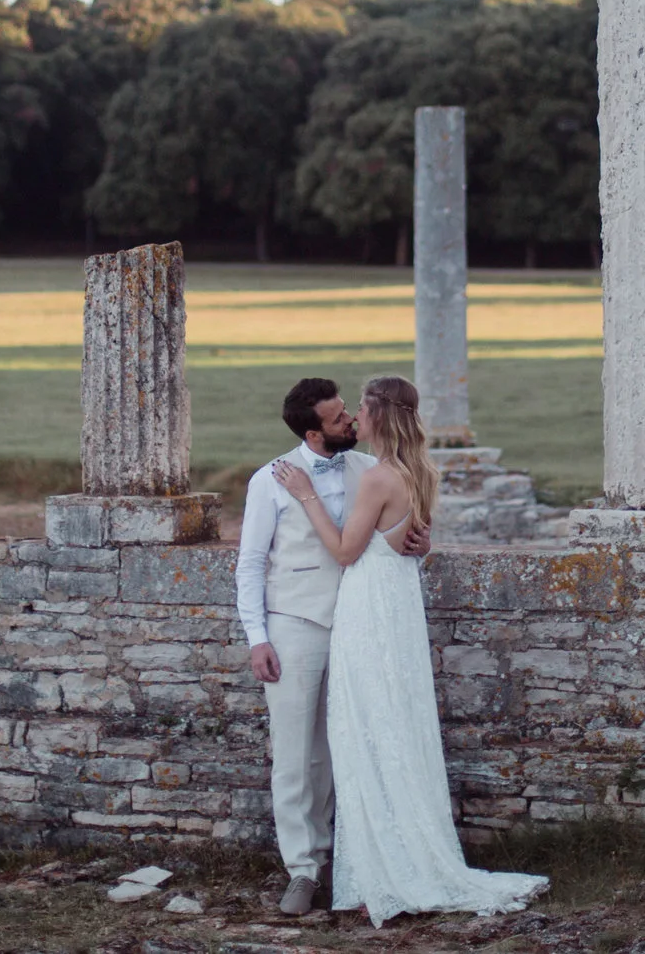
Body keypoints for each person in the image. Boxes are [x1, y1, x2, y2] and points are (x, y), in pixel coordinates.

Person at [271, 375, 548, 927]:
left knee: (365, 732)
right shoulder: (419, 470)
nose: (355, 418)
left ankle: (386, 869)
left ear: (378, 415)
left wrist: (305, 496)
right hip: (397, 605)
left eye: (361, 410)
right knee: (392, 725)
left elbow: (348, 552)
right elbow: (411, 538)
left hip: (370, 609)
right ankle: (393, 856)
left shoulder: (376, 478)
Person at [235, 377, 431, 916]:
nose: (350, 421)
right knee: (297, 753)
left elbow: (390, 533)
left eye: (350, 412)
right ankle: (302, 869)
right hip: (295, 622)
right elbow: (250, 563)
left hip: (361, 624)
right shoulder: (270, 481)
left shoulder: (368, 469)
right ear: (312, 432)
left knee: (351, 745)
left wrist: (420, 542)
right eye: (338, 417)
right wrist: (258, 637)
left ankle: (357, 859)